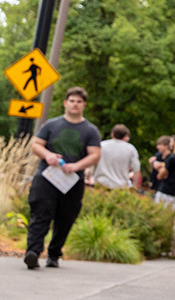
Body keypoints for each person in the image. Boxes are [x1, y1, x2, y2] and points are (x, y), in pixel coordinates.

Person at [24, 86, 102, 269]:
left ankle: (54, 254)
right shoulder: (52, 125)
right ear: (65, 103)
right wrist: (48, 155)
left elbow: (95, 154)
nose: (75, 105)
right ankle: (33, 252)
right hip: (47, 176)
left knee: (65, 218)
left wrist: (77, 166)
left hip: (72, 181)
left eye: (79, 102)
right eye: (72, 101)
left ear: (84, 105)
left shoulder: (90, 130)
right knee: (40, 212)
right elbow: (36, 145)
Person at [93, 124, 141, 190]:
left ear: (112, 134)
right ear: (125, 135)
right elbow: (136, 169)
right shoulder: (131, 149)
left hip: (101, 183)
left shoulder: (101, 145)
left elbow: (92, 161)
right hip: (120, 186)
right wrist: (135, 186)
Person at [151, 135, 175, 207]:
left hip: (165, 191)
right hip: (174, 192)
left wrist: (159, 167)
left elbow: (160, 175)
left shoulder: (172, 158)